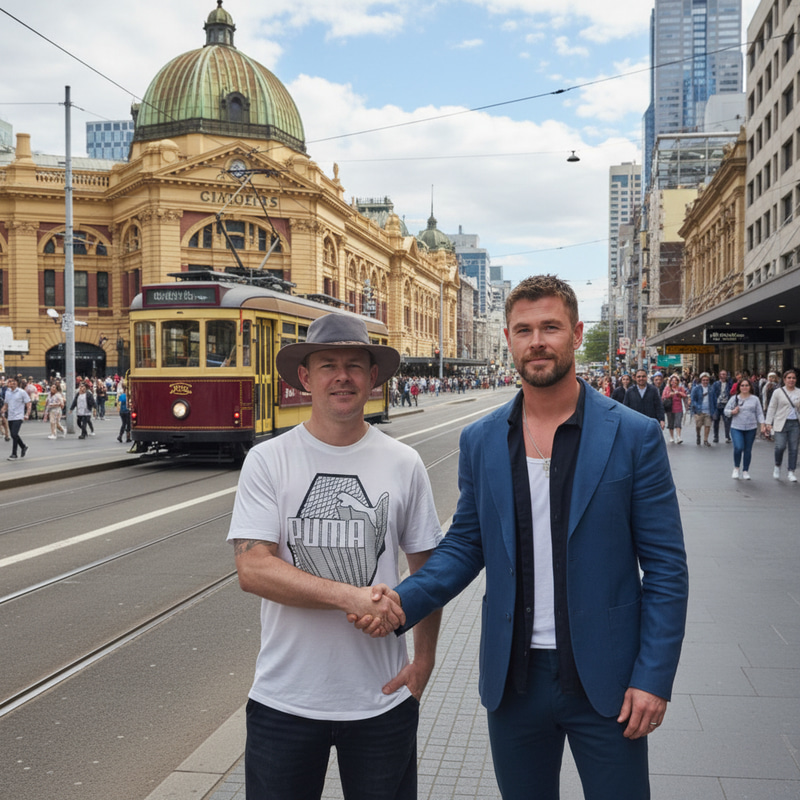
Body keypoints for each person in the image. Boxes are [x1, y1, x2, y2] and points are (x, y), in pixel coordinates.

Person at [357, 275, 689, 800]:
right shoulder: (482, 439)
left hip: (608, 680)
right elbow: (467, 544)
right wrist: (402, 601)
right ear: (510, 339)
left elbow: (667, 568)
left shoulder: (633, 435)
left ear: (576, 334)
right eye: (524, 329)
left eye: (551, 327)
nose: (538, 341)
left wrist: (653, 677)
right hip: (514, 681)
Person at [227, 313, 442, 800]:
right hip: (284, 701)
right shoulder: (268, 460)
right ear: (305, 377)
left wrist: (424, 661)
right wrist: (355, 597)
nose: (341, 376)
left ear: (372, 378)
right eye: (327, 365)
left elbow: (427, 569)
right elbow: (252, 568)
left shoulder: (403, 462)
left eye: (353, 365)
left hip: (381, 700)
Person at [724, 378, 765, 480]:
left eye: (746, 385)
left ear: (750, 387)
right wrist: (732, 412)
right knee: (738, 447)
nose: (744, 387)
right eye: (742, 385)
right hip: (737, 427)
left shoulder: (755, 399)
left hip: (751, 427)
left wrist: (763, 424)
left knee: (748, 450)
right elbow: (726, 411)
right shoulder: (734, 399)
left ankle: (745, 470)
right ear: (739, 387)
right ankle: (736, 468)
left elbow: (759, 413)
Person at [764, 368, 800, 482]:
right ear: (784, 379)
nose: (791, 380)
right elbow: (772, 408)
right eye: (789, 378)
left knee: (793, 448)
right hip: (781, 423)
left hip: (795, 423)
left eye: (793, 378)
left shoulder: (799, 392)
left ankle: (791, 471)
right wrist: (768, 423)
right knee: (780, 446)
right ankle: (777, 465)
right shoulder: (778, 392)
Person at [2, 377, 32, 460]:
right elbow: (6, 404)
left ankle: (14, 454)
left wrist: (27, 414)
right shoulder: (7, 392)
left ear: (17, 383)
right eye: (10, 381)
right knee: (13, 435)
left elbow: (28, 403)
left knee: (14, 434)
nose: (12, 383)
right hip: (10, 416)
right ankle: (23, 446)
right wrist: (2, 410)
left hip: (19, 416)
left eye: (14, 381)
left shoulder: (22, 392)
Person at [690, 372, 716, 446]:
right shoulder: (696, 388)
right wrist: (696, 406)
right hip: (699, 410)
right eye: (704, 380)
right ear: (701, 380)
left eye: (707, 380)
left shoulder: (711, 388)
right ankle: (698, 435)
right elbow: (693, 399)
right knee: (698, 426)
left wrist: (714, 409)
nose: (705, 381)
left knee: (707, 425)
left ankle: (705, 440)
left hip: (708, 410)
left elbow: (714, 399)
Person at [662, 374, 688, 443]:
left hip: (678, 407)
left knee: (678, 422)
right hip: (669, 408)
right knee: (671, 423)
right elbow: (663, 397)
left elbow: (685, 395)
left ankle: (679, 437)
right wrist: (669, 395)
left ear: (678, 381)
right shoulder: (667, 388)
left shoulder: (680, 388)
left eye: (675, 381)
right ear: (670, 381)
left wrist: (679, 393)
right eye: (672, 381)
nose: (674, 382)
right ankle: (672, 437)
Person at [711, 369, 733, 443]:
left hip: (726, 404)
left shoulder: (729, 384)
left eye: (724, 374)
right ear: (719, 375)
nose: (723, 376)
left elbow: (731, 393)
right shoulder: (716, 384)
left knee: (727, 421)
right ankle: (716, 437)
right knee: (716, 421)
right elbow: (713, 394)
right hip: (718, 404)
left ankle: (727, 436)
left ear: (726, 376)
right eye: (722, 374)